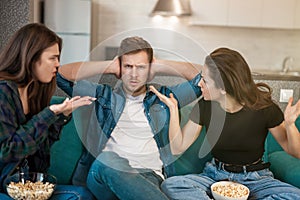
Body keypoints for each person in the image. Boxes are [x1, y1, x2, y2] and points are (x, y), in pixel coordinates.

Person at [56, 36, 203, 199]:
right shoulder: (103, 96)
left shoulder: (163, 97)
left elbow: (206, 78)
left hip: (148, 180)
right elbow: (61, 76)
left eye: (141, 67)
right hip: (103, 176)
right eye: (128, 66)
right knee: (108, 160)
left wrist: (160, 65)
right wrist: (109, 66)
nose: (134, 74)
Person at [150, 47, 300, 199]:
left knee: (295, 196)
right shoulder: (205, 106)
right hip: (215, 176)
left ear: (223, 88)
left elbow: (295, 151)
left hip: (256, 179)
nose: (199, 84)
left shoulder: (264, 107)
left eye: (205, 81)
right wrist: (173, 109)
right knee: (172, 185)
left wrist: (290, 125)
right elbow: (177, 147)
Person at [0, 23, 96, 199]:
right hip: (5, 187)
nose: (58, 65)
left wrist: (61, 116)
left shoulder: (33, 93)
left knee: (82, 195)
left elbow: (39, 150)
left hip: (27, 185)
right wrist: (49, 113)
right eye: (53, 58)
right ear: (31, 57)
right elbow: (7, 152)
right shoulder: (3, 92)